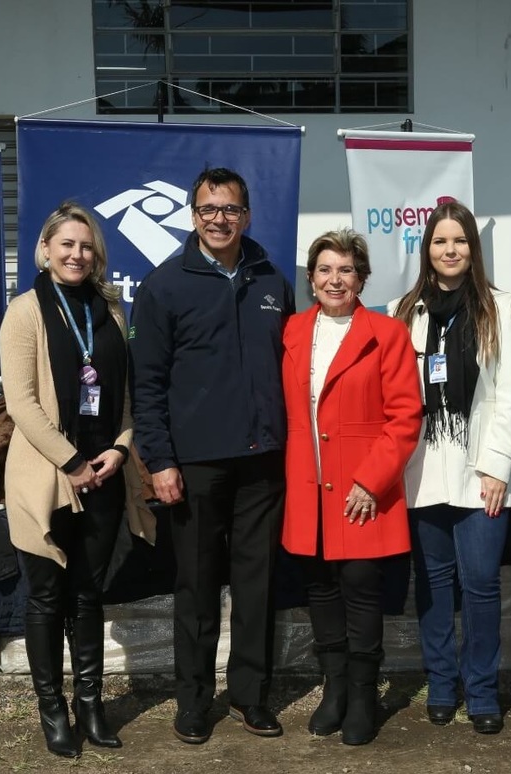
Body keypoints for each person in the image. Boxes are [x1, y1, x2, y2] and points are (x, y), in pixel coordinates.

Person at [129, 168, 294, 744]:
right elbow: (146, 385)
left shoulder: (271, 278)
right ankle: (194, 701)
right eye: (207, 209)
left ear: (246, 216)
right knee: (196, 587)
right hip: (194, 465)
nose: (218, 219)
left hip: (264, 461)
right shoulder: (164, 286)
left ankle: (251, 696)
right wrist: (160, 459)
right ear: (193, 216)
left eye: (229, 210)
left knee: (257, 585)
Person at [0, 203, 154, 758]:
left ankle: (91, 705)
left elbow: (127, 399)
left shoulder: (108, 312)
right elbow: (20, 402)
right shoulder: (24, 312)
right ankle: (52, 710)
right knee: (46, 597)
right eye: (65, 244)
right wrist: (72, 462)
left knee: (88, 594)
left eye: (86, 247)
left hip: (104, 475)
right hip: (47, 476)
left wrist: (119, 448)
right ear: (45, 250)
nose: (76, 254)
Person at [389, 202, 511, 735]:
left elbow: (510, 395)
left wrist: (497, 467)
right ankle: (443, 683)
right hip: (424, 464)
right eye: (440, 242)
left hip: (480, 468)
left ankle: (482, 689)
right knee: (432, 580)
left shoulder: (503, 306)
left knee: (481, 583)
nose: (450, 250)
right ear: (427, 250)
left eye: (461, 241)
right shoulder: (404, 310)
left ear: (474, 248)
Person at [280, 229, 422, 745]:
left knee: (361, 589)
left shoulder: (387, 334)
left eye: (345, 270)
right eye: (324, 270)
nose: (334, 279)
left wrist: (372, 479)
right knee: (319, 589)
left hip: (363, 490)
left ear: (361, 277)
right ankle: (334, 688)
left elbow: (406, 416)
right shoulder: (293, 331)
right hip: (308, 487)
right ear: (312, 278)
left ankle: (363, 695)